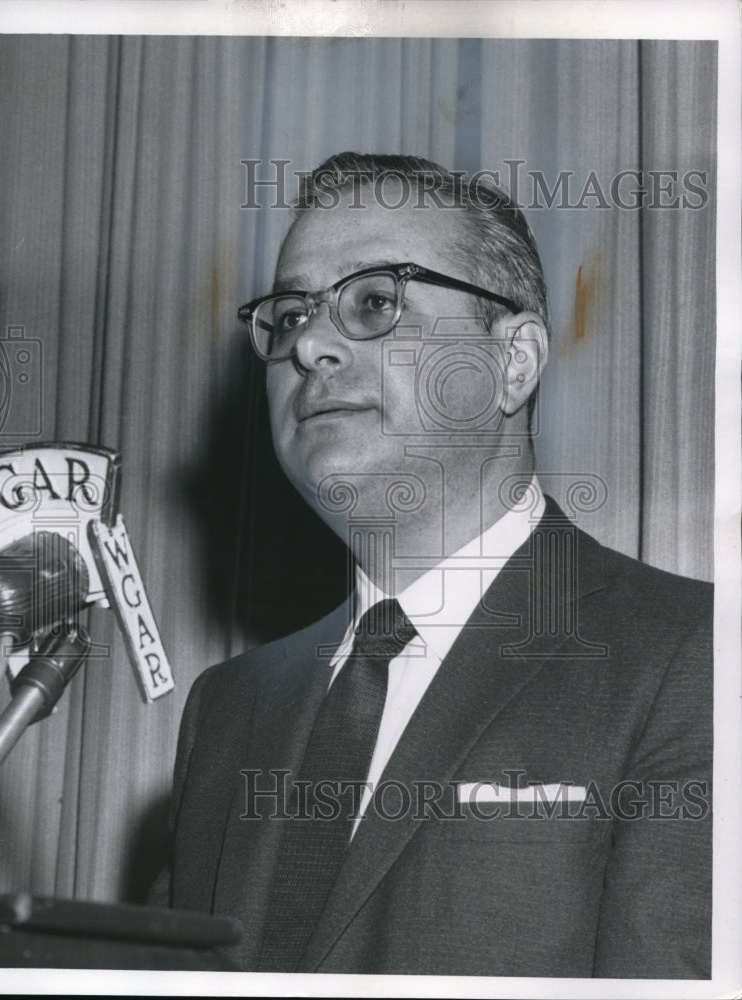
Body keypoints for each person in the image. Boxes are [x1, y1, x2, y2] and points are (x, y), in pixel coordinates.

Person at [156, 153, 712, 978]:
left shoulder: (692, 657)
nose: (310, 345)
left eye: (374, 302)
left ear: (513, 362)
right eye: (289, 314)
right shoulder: (227, 709)